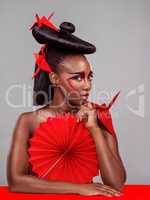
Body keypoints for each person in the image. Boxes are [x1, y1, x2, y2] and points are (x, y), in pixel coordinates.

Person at [7, 13, 126, 197]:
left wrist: (94, 129)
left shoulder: (100, 116)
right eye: (77, 77)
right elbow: (16, 182)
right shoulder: (29, 121)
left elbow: (116, 184)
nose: (87, 85)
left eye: (89, 76)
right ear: (54, 78)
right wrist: (79, 188)